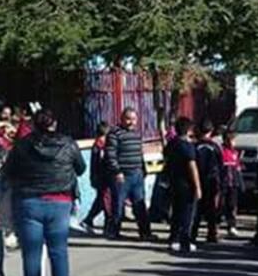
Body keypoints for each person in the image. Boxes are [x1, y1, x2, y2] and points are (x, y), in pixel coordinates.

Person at [3, 109, 84, 276]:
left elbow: (8, 171)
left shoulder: (22, 145)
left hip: (29, 202)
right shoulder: (68, 143)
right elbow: (81, 168)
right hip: (60, 202)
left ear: (34, 124)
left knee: (31, 253)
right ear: (54, 124)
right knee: (58, 252)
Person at [104, 107, 153, 241]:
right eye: (128, 119)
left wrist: (143, 170)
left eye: (133, 119)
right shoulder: (114, 133)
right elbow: (110, 155)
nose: (131, 122)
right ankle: (113, 231)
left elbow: (140, 153)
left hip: (137, 174)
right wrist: (117, 171)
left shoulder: (137, 134)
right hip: (122, 176)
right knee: (118, 205)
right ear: (122, 119)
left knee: (140, 205)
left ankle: (145, 232)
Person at [165, 117, 202, 253]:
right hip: (187, 184)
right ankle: (185, 241)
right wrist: (197, 187)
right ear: (188, 130)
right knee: (187, 214)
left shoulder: (172, 144)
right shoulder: (187, 146)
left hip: (174, 182)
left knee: (176, 211)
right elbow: (192, 167)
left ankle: (173, 238)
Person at [191, 119, 223, 244]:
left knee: (197, 208)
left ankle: (193, 233)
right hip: (212, 180)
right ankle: (212, 233)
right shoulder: (215, 147)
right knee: (211, 208)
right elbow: (220, 165)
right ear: (211, 131)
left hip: (198, 179)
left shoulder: (195, 146)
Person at [81, 121, 111, 235]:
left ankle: (88, 220)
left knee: (101, 201)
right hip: (102, 178)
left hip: (100, 178)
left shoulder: (99, 146)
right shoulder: (99, 147)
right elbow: (99, 164)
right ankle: (106, 225)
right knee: (106, 200)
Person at [220, 129, 243, 237]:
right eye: (229, 140)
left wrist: (240, 182)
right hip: (223, 183)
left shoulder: (235, 153)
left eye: (233, 140)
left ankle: (232, 226)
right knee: (221, 204)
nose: (231, 143)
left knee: (232, 205)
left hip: (233, 183)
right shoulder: (221, 151)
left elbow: (237, 168)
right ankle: (216, 224)